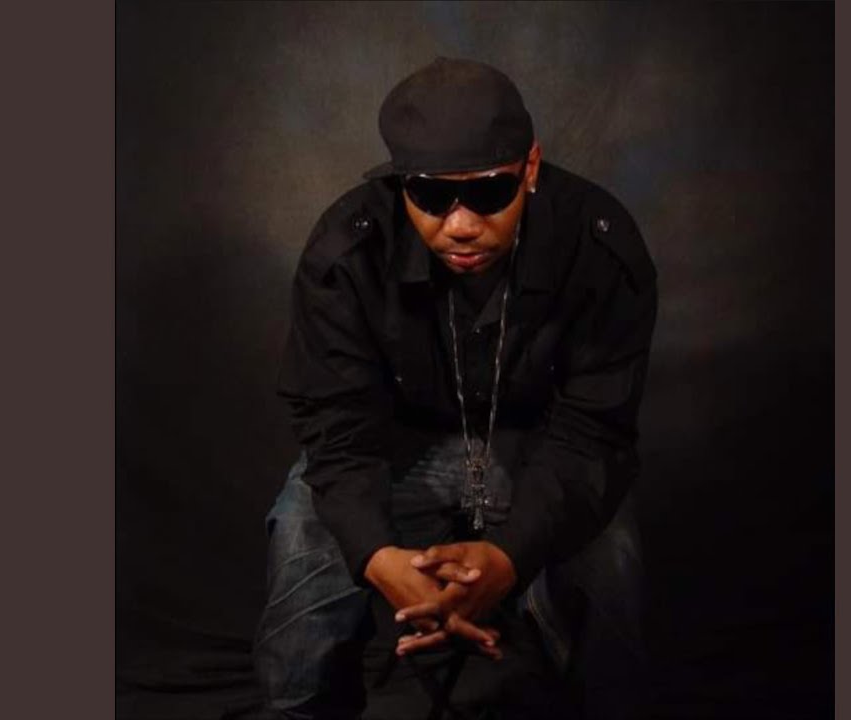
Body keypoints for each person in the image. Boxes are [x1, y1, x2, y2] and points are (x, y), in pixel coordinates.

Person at [253, 57, 657, 719]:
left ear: (530, 167)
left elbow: (594, 431)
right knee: (303, 537)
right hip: (393, 451)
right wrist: (379, 557)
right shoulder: (346, 252)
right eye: (431, 196)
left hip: (543, 450)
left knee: (611, 554)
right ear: (400, 184)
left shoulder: (596, 245)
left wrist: (510, 556)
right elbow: (336, 430)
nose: (462, 224)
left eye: (490, 193)